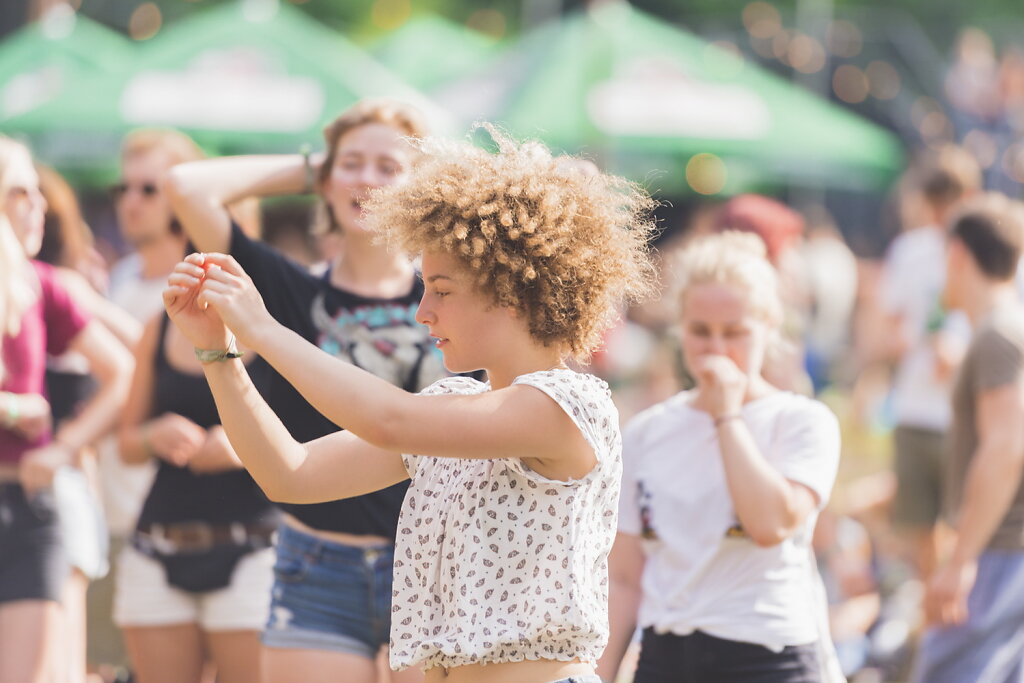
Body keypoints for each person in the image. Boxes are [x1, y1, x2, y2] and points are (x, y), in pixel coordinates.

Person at [162, 128, 655, 683]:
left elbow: (388, 420)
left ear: (511, 291)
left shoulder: (566, 406)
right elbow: (289, 474)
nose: (423, 312)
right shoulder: (455, 402)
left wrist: (262, 326)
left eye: (441, 290)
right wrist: (218, 352)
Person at [164, 99, 449, 683]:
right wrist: (314, 167)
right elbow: (185, 185)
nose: (367, 179)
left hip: (438, 562)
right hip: (316, 565)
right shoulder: (279, 288)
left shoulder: (450, 296)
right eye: (352, 163)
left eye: (387, 167)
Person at [598, 232, 841, 683]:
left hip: (766, 652)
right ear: (679, 329)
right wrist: (603, 672)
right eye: (700, 331)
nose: (715, 348)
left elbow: (771, 522)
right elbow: (626, 575)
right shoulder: (648, 432)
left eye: (734, 332)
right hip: (667, 653)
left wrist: (728, 415)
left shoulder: (802, 421)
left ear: (768, 326)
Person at [0, 137, 132, 682]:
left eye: (38, 192)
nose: (41, 205)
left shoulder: (42, 285)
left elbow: (123, 372)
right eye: (20, 192)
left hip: (29, 506)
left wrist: (64, 447)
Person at [911, 193, 1024, 683]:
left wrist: (960, 561)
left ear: (957, 253)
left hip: (998, 553)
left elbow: (1006, 446)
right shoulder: (1004, 330)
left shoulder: (997, 334)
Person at [878, 145, 980, 580]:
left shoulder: (991, 251)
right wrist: (921, 342)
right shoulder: (911, 251)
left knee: (967, 529)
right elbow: (888, 330)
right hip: (917, 407)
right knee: (919, 531)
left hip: (968, 413)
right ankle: (929, 623)